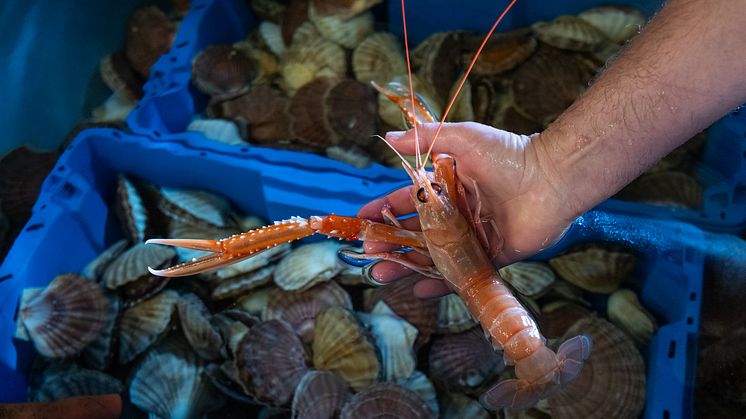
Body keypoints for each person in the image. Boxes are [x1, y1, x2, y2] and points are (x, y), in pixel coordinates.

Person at [359, 0, 746, 298]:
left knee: (376, 238)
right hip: (495, 296)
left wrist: (549, 170)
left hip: (488, 292)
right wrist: (548, 170)